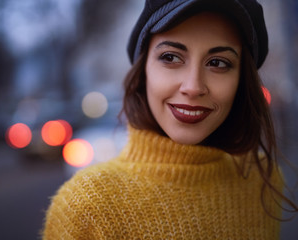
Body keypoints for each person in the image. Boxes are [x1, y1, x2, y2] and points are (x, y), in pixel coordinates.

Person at [42, 0, 298, 239]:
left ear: (241, 81)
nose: (193, 86)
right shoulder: (86, 207)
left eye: (218, 62)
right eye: (171, 57)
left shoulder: (262, 179)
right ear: (143, 70)